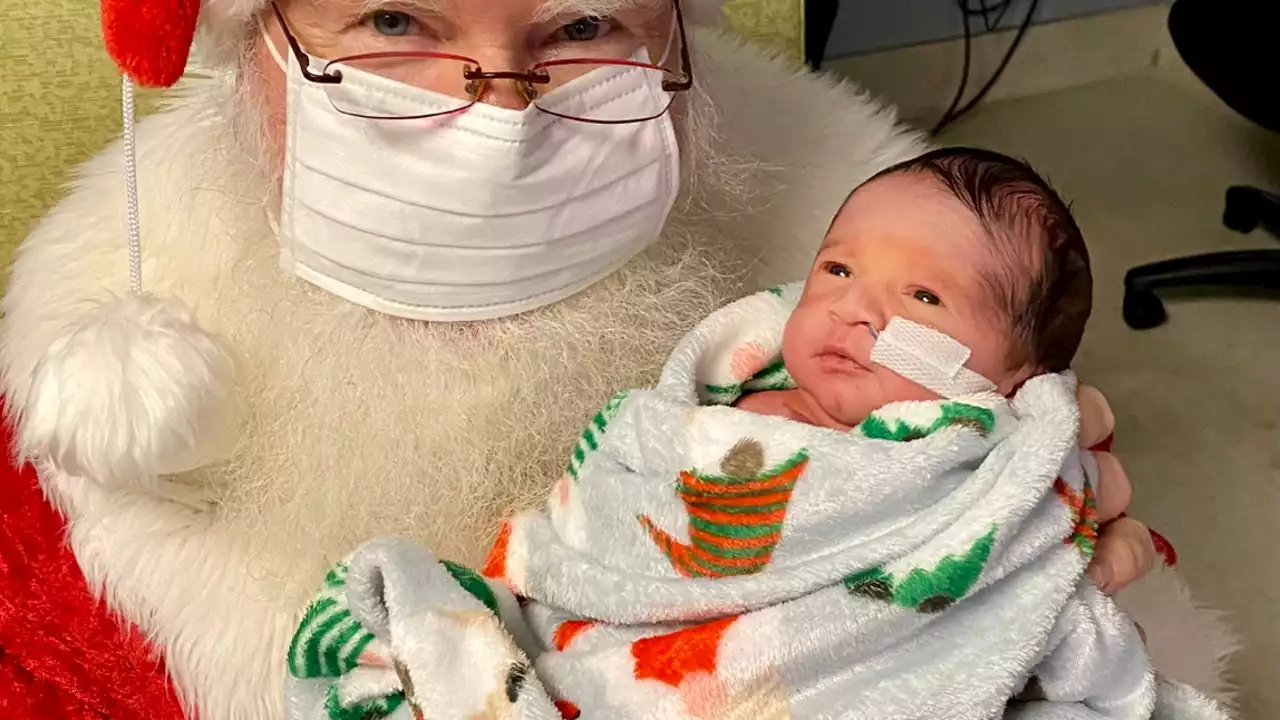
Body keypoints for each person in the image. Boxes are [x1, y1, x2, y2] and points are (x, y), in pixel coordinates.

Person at [0, 0, 1210, 717]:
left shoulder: (865, 228)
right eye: (391, 19)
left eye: (582, 24)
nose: (501, 115)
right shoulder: (96, 380)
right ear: (241, 35)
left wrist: (1013, 541)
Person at [281, 149, 1226, 720]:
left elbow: (1030, 613)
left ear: (1015, 380)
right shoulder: (714, 403)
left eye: (925, 297)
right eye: (840, 267)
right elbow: (611, 500)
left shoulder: (970, 476)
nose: (858, 311)